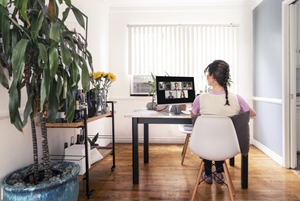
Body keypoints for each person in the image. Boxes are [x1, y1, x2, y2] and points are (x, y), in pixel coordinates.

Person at [190, 60, 256, 185]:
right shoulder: (237, 99)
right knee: (220, 136)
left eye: (207, 74)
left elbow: (193, 115)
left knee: (210, 136)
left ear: (213, 76)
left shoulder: (200, 99)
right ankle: (219, 173)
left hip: (204, 145)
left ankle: (208, 174)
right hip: (228, 146)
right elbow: (252, 114)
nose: (206, 77)